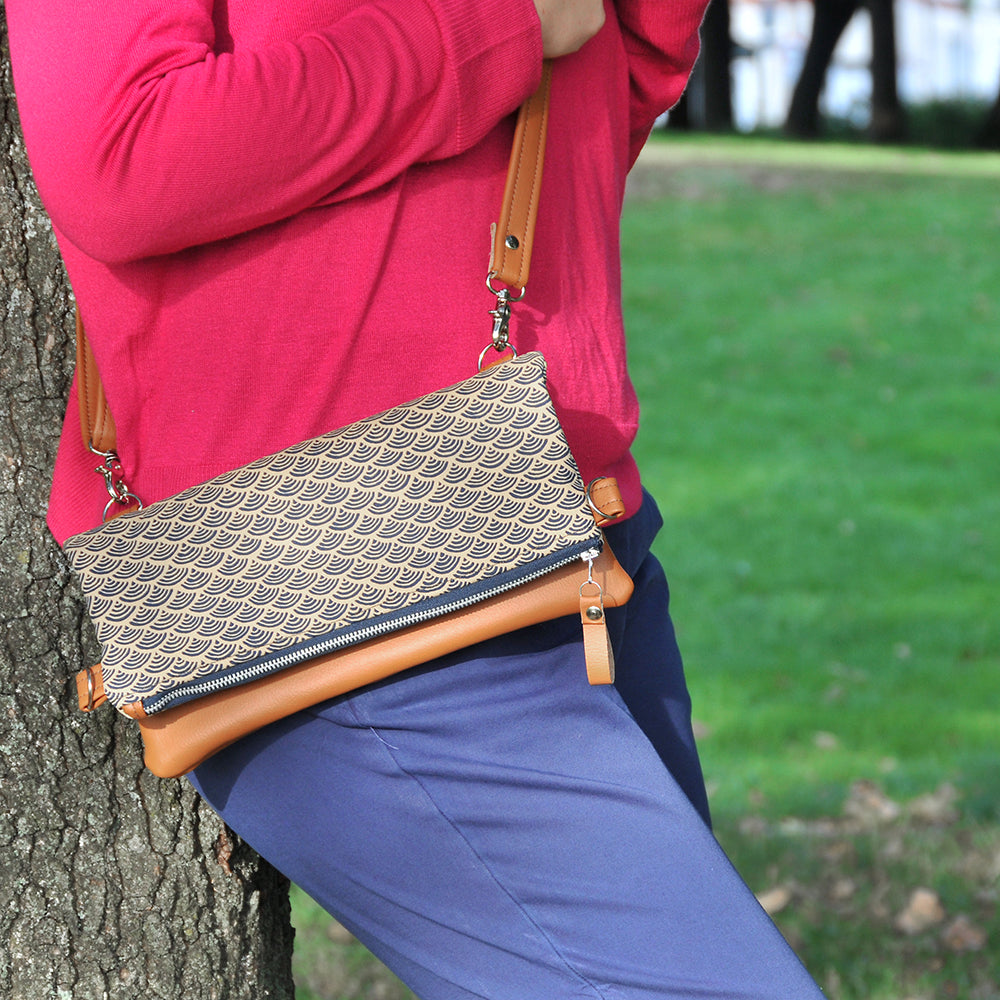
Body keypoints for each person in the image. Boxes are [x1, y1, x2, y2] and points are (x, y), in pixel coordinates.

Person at [7, 2, 826, 997]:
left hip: (562, 526)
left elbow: (613, 81)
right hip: (337, 584)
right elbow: (121, 159)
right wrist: (493, 30)